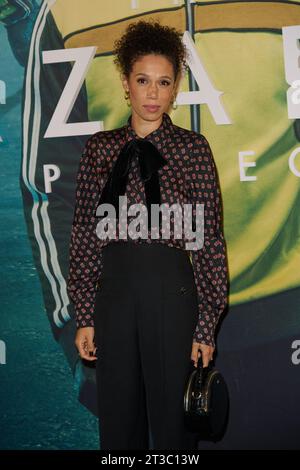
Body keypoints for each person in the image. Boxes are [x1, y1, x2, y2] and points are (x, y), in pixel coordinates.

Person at [67, 19, 228, 450]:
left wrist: (206, 326)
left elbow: (209, 239)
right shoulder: (99, 149)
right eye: (143, 81)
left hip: (173, 298)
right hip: (113, 299)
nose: (153, 93)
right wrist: (84, 313)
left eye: (163, 82)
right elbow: (85, 234)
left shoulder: (193, 148)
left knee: (174, 427)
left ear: (175, 88)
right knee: (118, 425)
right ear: (126, 82)